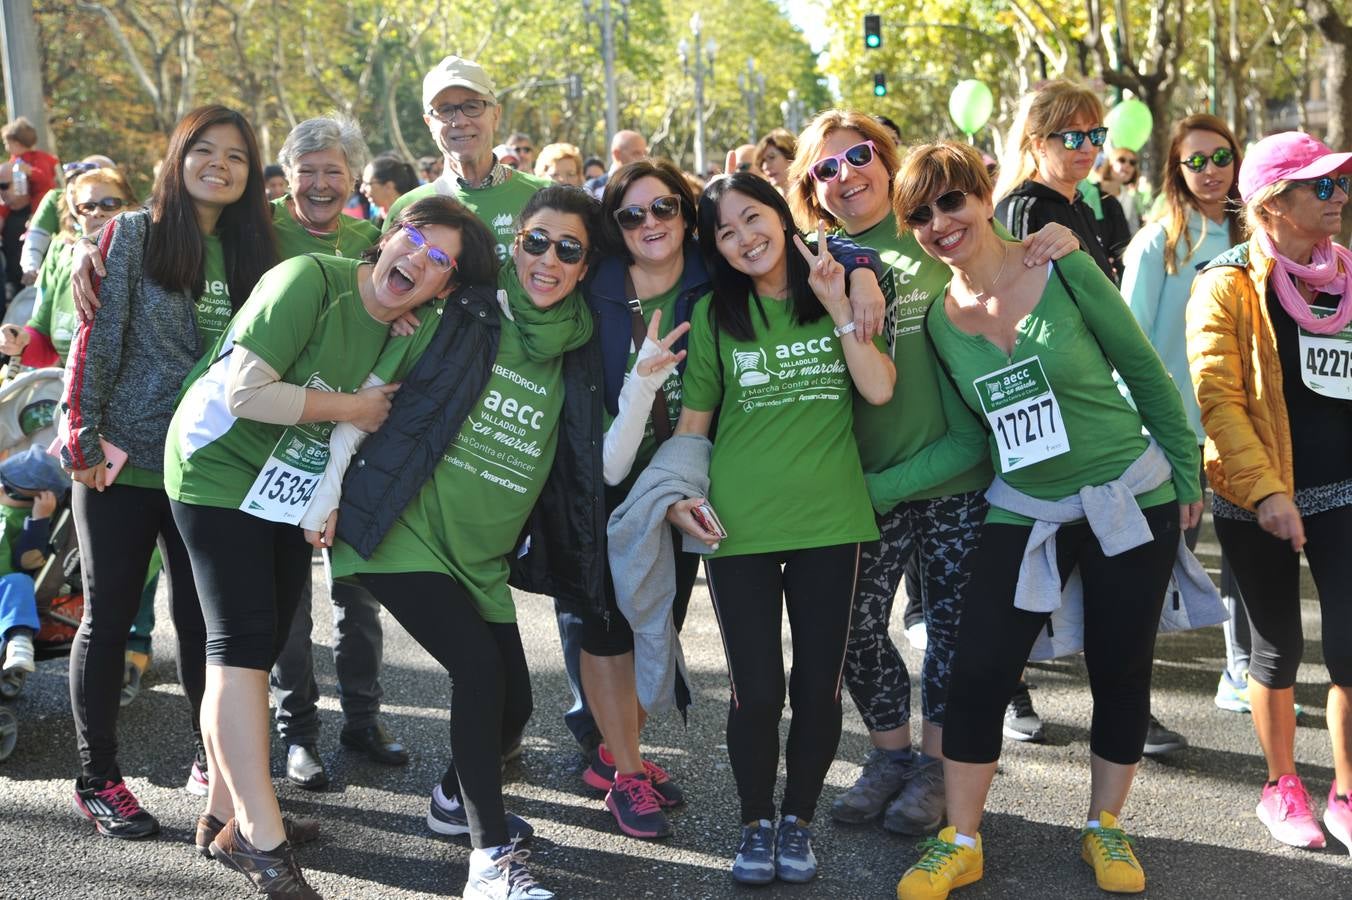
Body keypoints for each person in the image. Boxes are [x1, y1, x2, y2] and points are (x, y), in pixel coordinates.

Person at [893, 141, 1213, 900]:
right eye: (921, 214)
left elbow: (1144, 369)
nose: (941, 222)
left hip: (1127, 496)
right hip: (1026, 508)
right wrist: (874, 487)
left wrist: (1187, 469)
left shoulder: (1059, 263)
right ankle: (961, 840)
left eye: (952, 201)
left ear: (981, 197)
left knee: (1120, 666)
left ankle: (1105, 827)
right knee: (977, 670)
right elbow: (974, 438)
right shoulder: (940, 323)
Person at [165, 197, 480, 897]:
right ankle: (261, 840)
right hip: (214, 463)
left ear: (445, 288)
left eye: (439, 261)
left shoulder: (406, 326)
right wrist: (348, 407)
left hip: (283, 477)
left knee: (269, 636)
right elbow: (247, 394)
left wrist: (324, 501)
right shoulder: (307, 278)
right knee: (239, 647)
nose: (417, 260)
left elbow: (349, 434)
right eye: (414, 239)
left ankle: (224, 812)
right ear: (388, 235)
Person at [786, 110, 1077, 838]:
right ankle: (891, 757)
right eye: (825, 168)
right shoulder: (808, 262)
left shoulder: (935, 243)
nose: (845, 174)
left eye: (857, 156)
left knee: (952, 636)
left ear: (887, 162)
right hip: (862, 488)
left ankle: (939, 771)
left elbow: (1008, 268)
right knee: (852, 631)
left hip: (956, 484)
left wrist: (1056, 237)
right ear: (811, 188)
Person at [311, 187, 600, 900]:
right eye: (536, 240)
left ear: (585, 266)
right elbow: (378, 385)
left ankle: (453, 804)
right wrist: (325, 492)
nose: (547, 259)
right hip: (403, 532)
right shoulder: (463, 308)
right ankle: (489, 860)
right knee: (477, 669)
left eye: (568, 249)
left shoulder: (580, 336)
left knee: (515, 708)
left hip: (480, 558)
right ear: (515, 242)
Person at [667, 172, 895, 885]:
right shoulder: (712, 315)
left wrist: (838, 304)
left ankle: (798, 819)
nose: (744, 239)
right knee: (755, 692)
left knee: (818, 686)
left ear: (782, 214)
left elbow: (879, 387)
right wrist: (678, 495)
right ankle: (754, 821)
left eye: (753, 218)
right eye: (725, 232)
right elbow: (695, 421)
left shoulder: (838, 281)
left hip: (831, 522)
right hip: (739, 529)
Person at [60, 104, 276, 841]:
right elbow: (95, 341)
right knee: (112, 615)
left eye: (237, 156)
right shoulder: (131, 236)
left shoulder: (259, 256)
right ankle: (99, 779)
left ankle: (215, 768)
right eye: (204, 150)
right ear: (178, 159)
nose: (219, 164)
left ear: (252, 175)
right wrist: (80, 439)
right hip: (122, 463)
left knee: (205, 624)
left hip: (211, 473)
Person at [1186, 131, 1352, 854]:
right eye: (1321, 186)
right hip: (1258, 496)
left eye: (1340, 184)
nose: (1339, 197)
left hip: (1343, 490)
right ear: (1271, 203)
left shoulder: (1346, 274)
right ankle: (1281, 786)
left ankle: (1346, 790)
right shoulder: (1224, 283)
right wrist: (1265, 493)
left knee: (1350, 647)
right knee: (1276, 649)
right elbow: (1216, 399)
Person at [1119, 114, 1255, 723]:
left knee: (1252, 561)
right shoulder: (1158, 242)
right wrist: (1150, 439)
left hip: (1248, 432)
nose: (1209, 171)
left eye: (1220, 157)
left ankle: (1242, 672)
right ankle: (1128, 707)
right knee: (1157, 571)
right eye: (1194, 160)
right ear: (1175, 168)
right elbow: (1127, 346)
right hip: (1173, 439)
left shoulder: (1258, 235)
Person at [386, 56, 551, 261]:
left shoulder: (545, 197)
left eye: (473, 106)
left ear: (496, 115)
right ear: (429, 123)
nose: (461, 121)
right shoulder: (407, 210)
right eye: (445, 110)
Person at [2, 166, 137, 367]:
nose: (97, 212)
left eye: (110, 204)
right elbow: (43, 336)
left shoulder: (151, 264)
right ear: (77, 215)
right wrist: (21, 341)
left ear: (131, 209)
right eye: (87, 207)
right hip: (72, 391)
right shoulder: (66, 259)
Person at [995, 80, 1125, 284]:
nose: (1088, 147)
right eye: (1073, 137)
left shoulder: (1083, 207)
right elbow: (1012, 293)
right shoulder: (1020, 209)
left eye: (1095, 134)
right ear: (1040, 145)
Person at [0, 446, 68, 678]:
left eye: (10, 490)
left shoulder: (26, 520)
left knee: (19, 582)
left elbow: (27, 561)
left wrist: (39, 520)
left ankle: (19, 639)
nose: (1, 489)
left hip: (4, 586)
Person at [586, 129, 649, 200]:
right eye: (637, 153)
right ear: (617, 154)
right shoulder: (594, 189)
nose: (644, 158)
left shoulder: (651, 184)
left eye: (645, 153)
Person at [361, 155, 420, 226]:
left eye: (367, 184)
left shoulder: (418, 218)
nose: (362, 189)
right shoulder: (377, 223)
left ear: (389, 186)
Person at [755, 129, 796, 196]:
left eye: (771, 157)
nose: (765, 167)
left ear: (790, 155)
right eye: (762, 162)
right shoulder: (765, 202)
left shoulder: (813, 197)